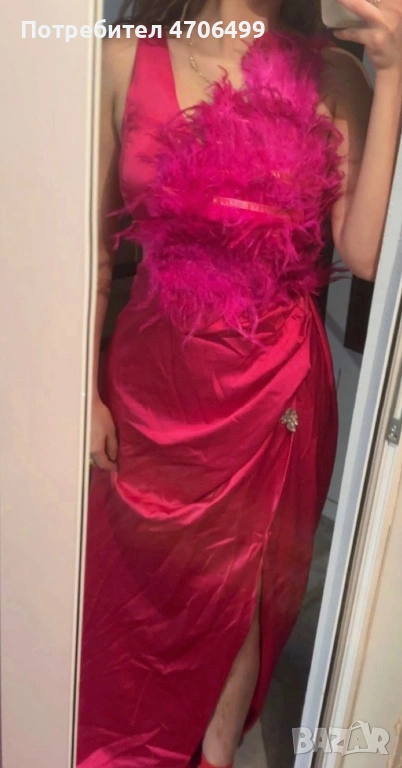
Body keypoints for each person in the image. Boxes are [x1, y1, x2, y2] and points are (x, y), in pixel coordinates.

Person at [77, 1, 402, 767]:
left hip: (272, 389)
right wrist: (80, 391)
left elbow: (363, 254)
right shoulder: (124, 57)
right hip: (148, 386)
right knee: (131, 587)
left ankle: (216, 754)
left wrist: (393, 75)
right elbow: (89, 251)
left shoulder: (335, 76)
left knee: (240, 595)